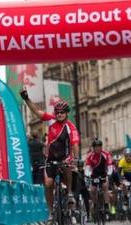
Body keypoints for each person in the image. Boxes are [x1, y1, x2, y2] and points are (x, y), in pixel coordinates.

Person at [20, 87, 80, 223]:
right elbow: (36, 111)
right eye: (57, 112)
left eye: (62, 113)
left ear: (66, 114)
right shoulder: (51, 120)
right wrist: (26, 99)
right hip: (51, 159)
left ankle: (69, 193)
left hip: (65, 158)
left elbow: (75, 144)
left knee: (67, 166)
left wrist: (75, 159)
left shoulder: (71, 127)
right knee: (48, 184)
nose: (59, 114)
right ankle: (51, 212)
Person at [85, 138, 113, 214]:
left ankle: (107, 205)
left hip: (103, 174)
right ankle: (95, 204)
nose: (98, 148)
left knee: (105, 186)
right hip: (94, 175)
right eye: (96, 146)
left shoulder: (106, 154)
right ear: (93, 148)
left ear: (101, 147)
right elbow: (88, 167)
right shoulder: (89, 156)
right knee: (92, 190)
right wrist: (88, 175)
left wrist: (109, 174)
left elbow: (110, 166)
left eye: (99, 146)